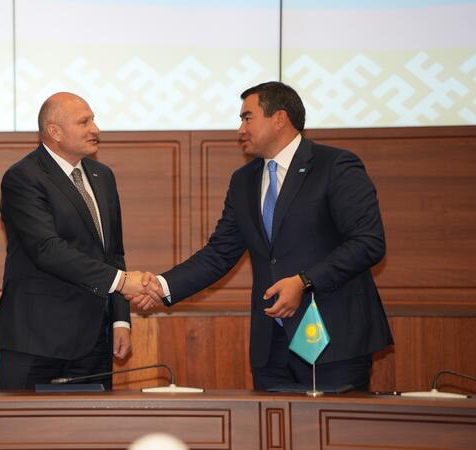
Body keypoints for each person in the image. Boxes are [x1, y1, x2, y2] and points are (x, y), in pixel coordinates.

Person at [130, 81, 393, 391]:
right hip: (272, 347)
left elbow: (368, 242)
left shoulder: (334, 166)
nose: (240, 129)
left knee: (333, 424)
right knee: (270, 424)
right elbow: (220, 253)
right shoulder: (244, 180)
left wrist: (304, 281)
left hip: (334, 340)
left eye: (247, 118)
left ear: (279, 118)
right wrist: (161, 286)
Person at [0, 92, 150, 390]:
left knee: (91, 421)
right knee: (21, 420)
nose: (95, 129)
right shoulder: (23, 177)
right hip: (36, 339)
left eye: (93, 120)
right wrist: (122, 282)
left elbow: (113, 253)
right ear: (55, 131)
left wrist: (120, 321)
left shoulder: (103, 176)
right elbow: (47, 249)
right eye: (84, 122)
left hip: (94, 341)